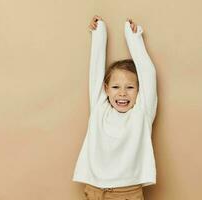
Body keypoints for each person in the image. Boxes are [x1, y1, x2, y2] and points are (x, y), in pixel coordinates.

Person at [72, 15, 158, 200]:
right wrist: (99, 32)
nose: (122, 93)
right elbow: (95, 70)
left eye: (130, 87)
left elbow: (148, 73)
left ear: (139, 91)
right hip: (94, 191)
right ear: (106, 89)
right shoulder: (99, 108)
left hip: (127, 193)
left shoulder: (141, 113)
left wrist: (133, 37)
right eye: (116, 87)